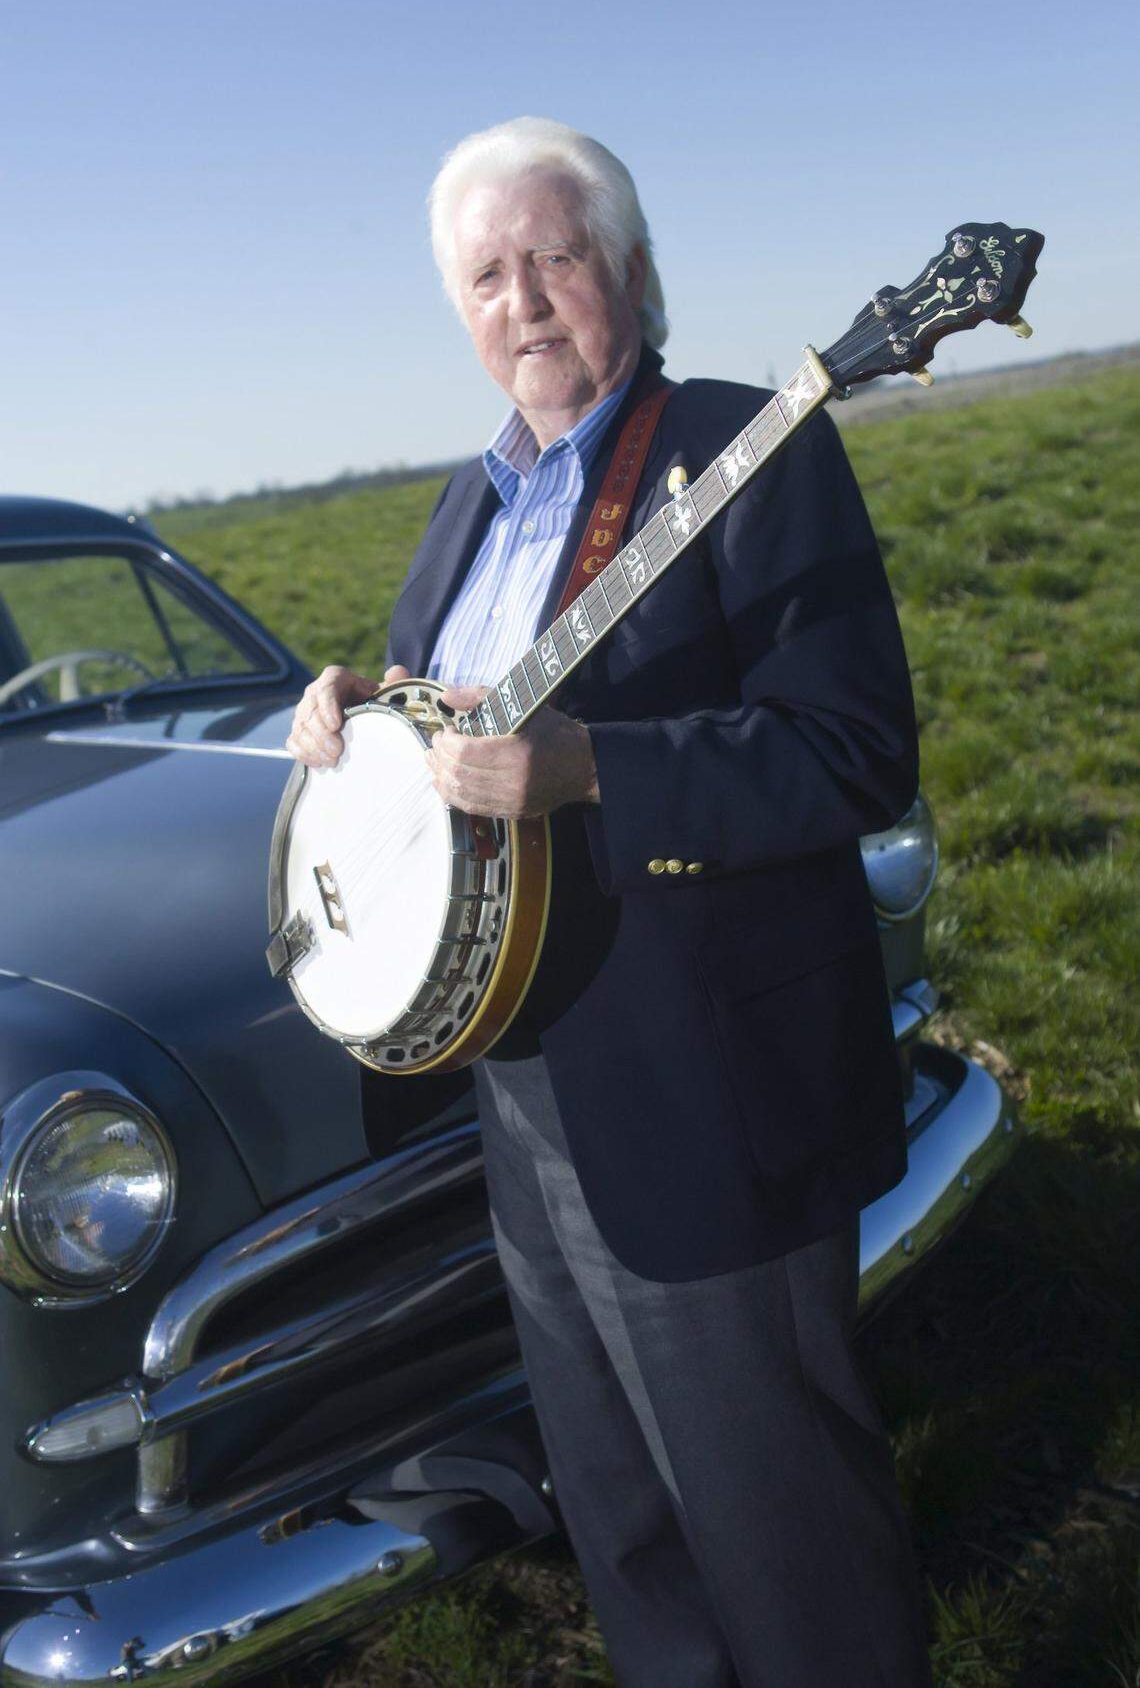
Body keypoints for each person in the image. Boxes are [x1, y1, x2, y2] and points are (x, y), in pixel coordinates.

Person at [287, 117, 932, 1688]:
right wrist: (360, 719)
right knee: (623, 1516)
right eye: (489, 274)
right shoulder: (469, 506)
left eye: (555, 256)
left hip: (708, 1086)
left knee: (781, 1526)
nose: (524, 299)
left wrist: (598, 773)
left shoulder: (742, 442)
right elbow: (451, 735)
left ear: (628, 272)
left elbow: (853, 755)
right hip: (523, 1088)